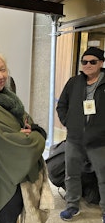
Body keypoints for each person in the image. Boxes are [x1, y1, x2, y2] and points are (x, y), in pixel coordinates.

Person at [0, 51, 54, 223]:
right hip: (1, 186)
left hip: (13, 184)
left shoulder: (6, 99)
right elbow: (22, 148)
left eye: (3, 69)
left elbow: (27, 123)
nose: (0, 76)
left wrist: (30, 131)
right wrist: (38, 134)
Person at [56, 46, 105, 222]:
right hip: (75, 139)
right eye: (84, 62)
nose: (88, 65)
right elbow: (62, 104)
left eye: (92, 62)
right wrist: (68, 122)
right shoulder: (74, 82)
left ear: (101, 63)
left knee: (103, 176)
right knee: (71, 174)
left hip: (99, 141)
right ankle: (72, 206)